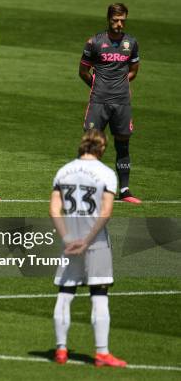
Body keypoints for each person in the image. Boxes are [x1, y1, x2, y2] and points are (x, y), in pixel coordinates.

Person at [49, 129, 126, 368]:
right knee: (99, 294)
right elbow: (106, 212)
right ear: (101, 148)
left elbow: (54, 209)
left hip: (69, 241)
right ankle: (101, 353)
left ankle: (61, 350)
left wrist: (68, 237)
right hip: (97, 242)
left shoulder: (64, 171)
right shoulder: (106, 173)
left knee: (65, 292)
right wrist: (88, 239)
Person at [79, 3, 141, 204]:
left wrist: (120, 84)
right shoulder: (94, 42)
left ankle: (124, 190)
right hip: (98, 101)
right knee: (90, 143)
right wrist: (97, 86)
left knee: (123, 144)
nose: (119, 24)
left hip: (122, 102)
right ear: (108, 19)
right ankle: (87, 189)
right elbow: (83, 71)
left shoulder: (131, 43)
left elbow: (133, 70)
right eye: (115, 20)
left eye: (122, 20)